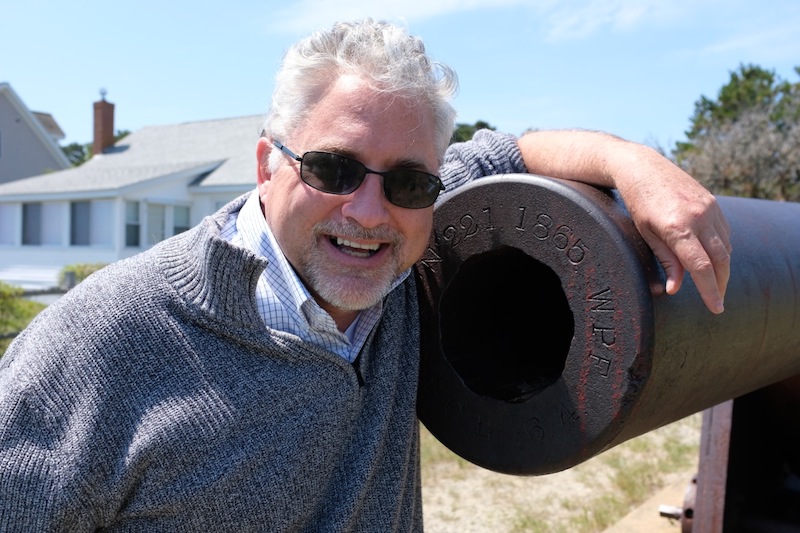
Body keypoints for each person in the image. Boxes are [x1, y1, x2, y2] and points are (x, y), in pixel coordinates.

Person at [0, 19, 730, 532]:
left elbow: (517, 149)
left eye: (410, 182)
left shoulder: (408, 255)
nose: (371, 212)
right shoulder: (102, 344)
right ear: (267, 164)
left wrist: (635, 163)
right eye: (333, 169)